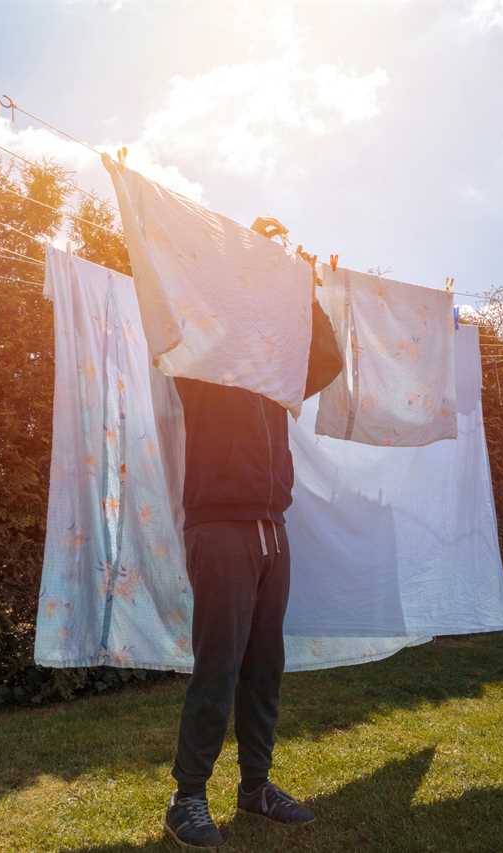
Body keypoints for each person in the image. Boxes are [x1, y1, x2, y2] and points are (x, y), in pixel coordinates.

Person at [163, 220, 344, 849]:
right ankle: (186, 798)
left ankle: (255, 786)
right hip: (219, 529)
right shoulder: (202, 365)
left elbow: (328, 358)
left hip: (273, 531)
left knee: (265, 665)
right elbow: (191, 303)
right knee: (219, 665)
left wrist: (300, 285)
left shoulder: (276, 374)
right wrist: (245, 259)